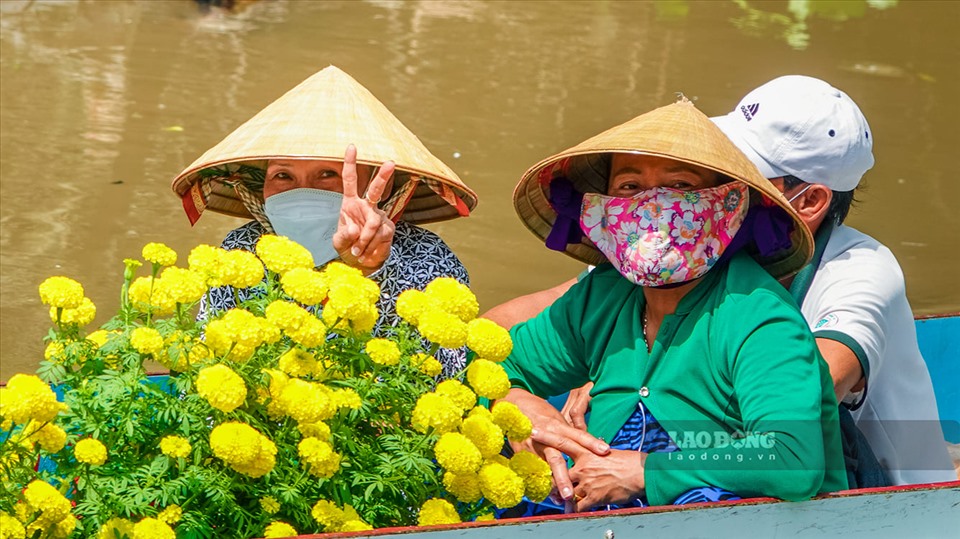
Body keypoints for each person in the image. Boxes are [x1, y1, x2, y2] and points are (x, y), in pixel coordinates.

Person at [491, 76, 955, 486]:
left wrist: (641, 383)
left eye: (689, 185)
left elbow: (809, 395)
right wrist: (527, 395)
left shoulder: (858, 269)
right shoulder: (656, 258)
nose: (657, 208)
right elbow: (507, 330)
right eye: (631, 188)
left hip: (875, 486)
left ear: (808, 201)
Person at [500, 98, 847, 512]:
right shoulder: (605, 295)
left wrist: (646, 471)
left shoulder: (757, 314)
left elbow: (792, 458)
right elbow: (495, 364)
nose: (653, 206)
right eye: (629, 187)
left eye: (680, 186)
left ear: (727, 206)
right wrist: (520, 407)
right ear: (606, 207)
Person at [170, 66, 478, 375]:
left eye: (328, 174)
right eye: (283, 175)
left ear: (376, 184)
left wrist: (371, 271)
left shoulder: (426, 255)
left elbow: (443, 372)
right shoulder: (242, 249)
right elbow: (207, 364)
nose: (303, 192)